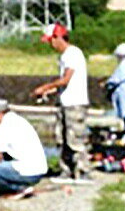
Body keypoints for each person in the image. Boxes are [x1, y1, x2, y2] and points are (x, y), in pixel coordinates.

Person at [33, 22, 92, 179]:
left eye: (51, 40)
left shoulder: (73, 53)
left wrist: (45, 87)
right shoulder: (65, 56)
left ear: (58, 37)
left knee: (76, 139)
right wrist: (51, 91)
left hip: (75, 104)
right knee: (62, 138)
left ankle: (83, 171)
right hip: (65, 103)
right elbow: (65, 83)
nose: (51, 45)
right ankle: (66, 170)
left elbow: (66, 79)